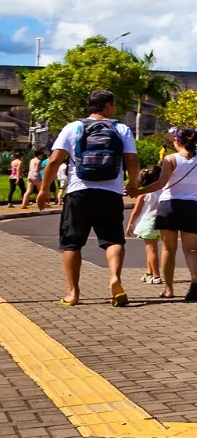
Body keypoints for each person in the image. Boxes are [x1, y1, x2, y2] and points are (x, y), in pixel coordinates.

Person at [38, 90, 144, 307]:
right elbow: (132, 161)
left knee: (71, 244)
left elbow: (54, 160)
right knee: (113, 240)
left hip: (78, 191)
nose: (114, 109)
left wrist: (44, 189)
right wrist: (132, 184)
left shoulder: (73, 127)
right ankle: (114, 279)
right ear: (107, 106)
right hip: (111, 192)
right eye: (113, 105)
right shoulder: (120, 128)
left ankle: (73, 293)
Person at [142, 126, 197, 302]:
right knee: (192, 249)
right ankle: (194, 280)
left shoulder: (170, 159)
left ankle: (169, 289)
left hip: (170, 205)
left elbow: (160, 183)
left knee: (168, 249)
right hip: (193, 206)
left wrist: (139, 191)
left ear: (176, 141)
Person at [124, 187, 164, 284]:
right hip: (160, 223)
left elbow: (136, 211)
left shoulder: (143, 195)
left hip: (147, 223)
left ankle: (156, 275)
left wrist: (130, 224)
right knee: (150, 249)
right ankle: (148, 273)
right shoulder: (162, 193)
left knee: (151, 250)